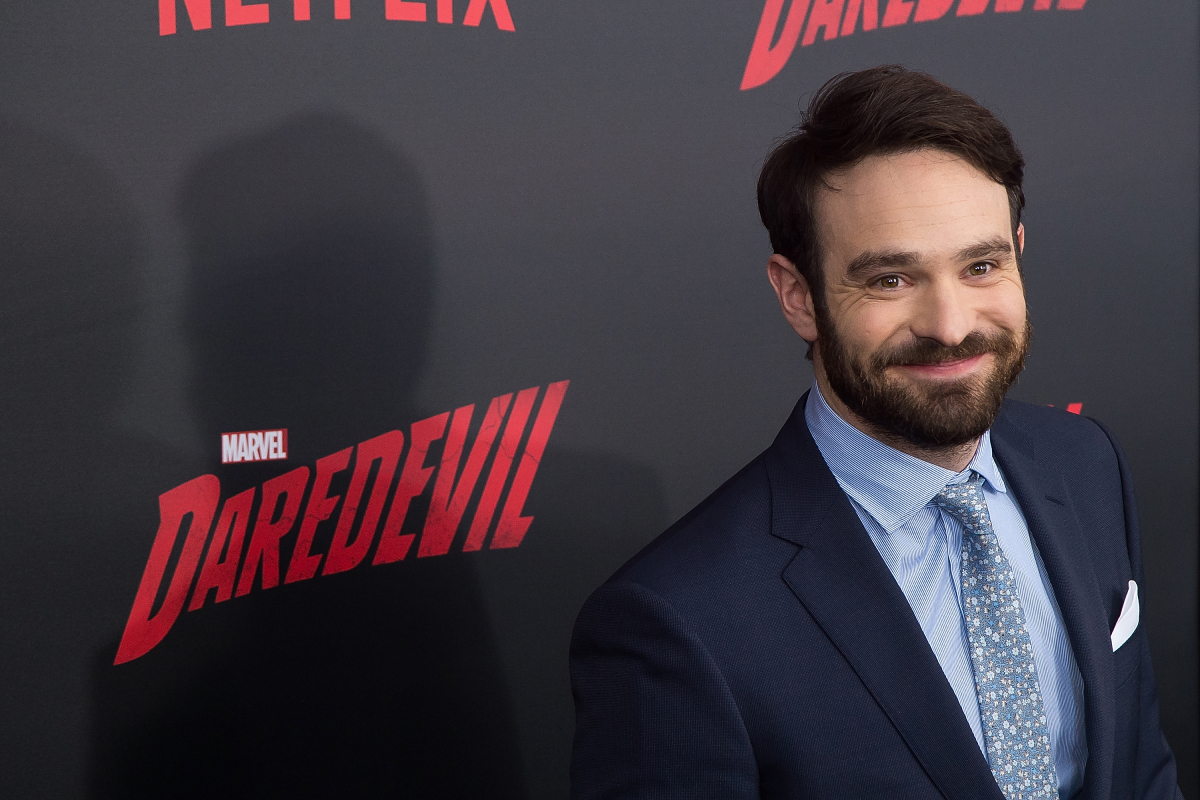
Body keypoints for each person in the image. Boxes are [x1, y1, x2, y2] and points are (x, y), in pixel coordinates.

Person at [569, 66, 1183, 800]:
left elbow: (1140, 770)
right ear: (799, 296)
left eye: (981, 266)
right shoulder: (680, 622)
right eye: (891, 279)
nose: (949, 325)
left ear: (1018, 251)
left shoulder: (1085, 462)